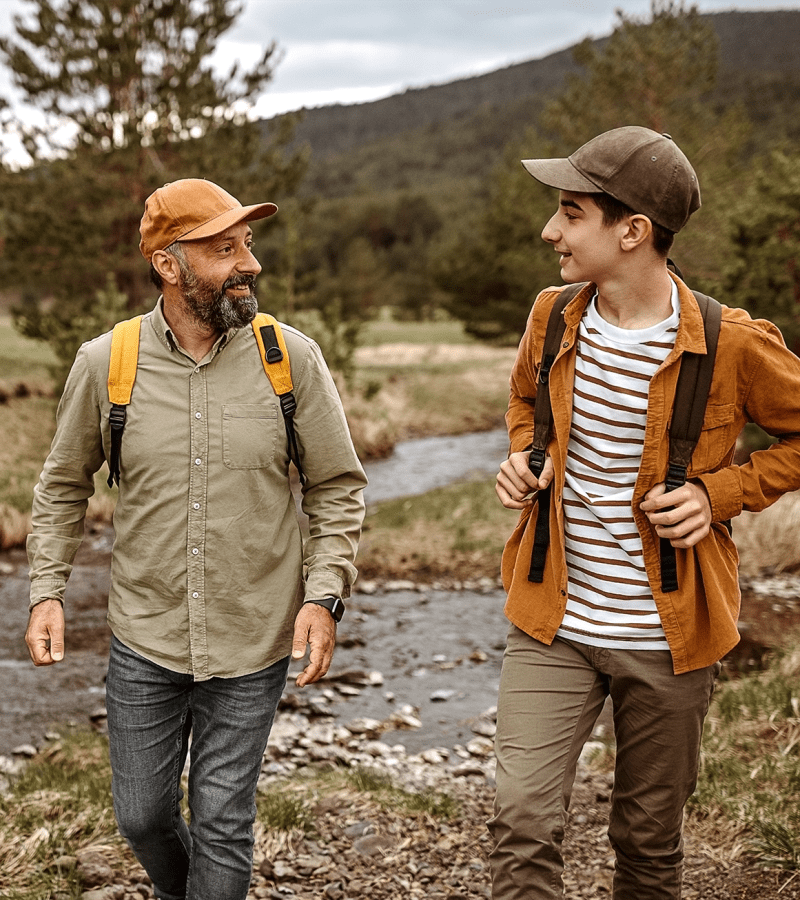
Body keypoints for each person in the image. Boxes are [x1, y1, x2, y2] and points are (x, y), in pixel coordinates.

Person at [25, 178, 367, 900]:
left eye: (247, 244)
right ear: (169, 266)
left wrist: (324, 595)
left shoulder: (290, 359)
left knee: (221, 818)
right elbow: (62, 485)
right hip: (145, 633)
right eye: (224, 249)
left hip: (255, 635)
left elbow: (337, 484)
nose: (250, 264)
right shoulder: (105, 363)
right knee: (142, 816)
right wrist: (46, 591)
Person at [490, 126, 800, 899]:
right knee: (521, 821)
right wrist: (532, 457)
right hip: (551, 623)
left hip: (671, 635)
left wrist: (717, 495)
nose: (550, 230)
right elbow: (526, 399)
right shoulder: (551, 316)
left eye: (570, 212)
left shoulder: (730, 341)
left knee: (648, 842)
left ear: (632, 231)